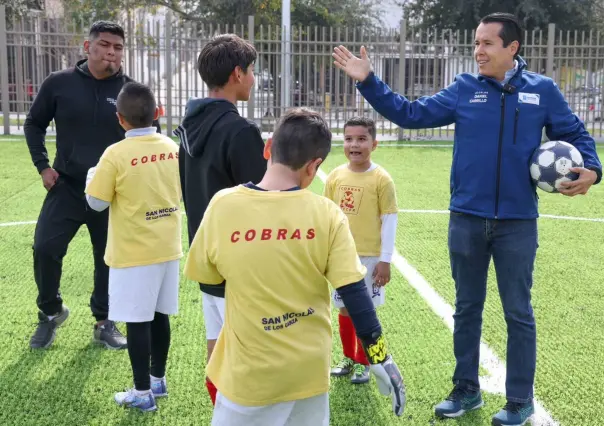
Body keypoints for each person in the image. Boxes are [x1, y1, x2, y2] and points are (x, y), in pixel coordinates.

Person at [333, 12, 602, 426]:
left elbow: (579, 137)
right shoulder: (463, 89)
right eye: (476, 43)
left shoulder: (542, 92)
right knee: (467, 308)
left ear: (512, 48)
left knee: (518, 312)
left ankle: (519, 400)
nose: (478, 51)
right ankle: (466, 390)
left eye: (487, 43)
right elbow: (409, 114)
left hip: (517, 222)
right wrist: (368, 81)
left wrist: (593, 170)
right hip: (466, 219)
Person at [183, 107, 405, 426]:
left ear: (268, 146)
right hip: (308, 374)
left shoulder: (222, 205)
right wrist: (380, 354)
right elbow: (355, 291)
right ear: (314, 166)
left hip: (248, 374)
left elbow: (207, 275)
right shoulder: (327, 214)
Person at [24, 20, 160, 350]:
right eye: (104, 45)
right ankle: (51, 312)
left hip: (113, 191)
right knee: (45, 248)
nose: (111, 53)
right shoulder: (59, 83)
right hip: (67, 185)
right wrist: (43, 166)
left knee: (107, 258)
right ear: (88, 47)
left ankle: (104, 320)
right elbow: (33, 124)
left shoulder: (131, 91)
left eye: (118, 48)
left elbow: (149, 136)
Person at [173, 33, 267, 405]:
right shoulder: (240, 131)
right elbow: (263, 202)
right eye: (252, 71)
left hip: (205, 253)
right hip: (240, 263)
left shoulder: (187, 126)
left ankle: (221, 411)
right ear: (237, 73)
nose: (254, 79)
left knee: (217, 343)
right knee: (247, 353)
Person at [85, 82, 182, 412]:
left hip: (133, 253)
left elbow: (96, 203)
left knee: (137, 322)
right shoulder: (172, 146)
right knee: (159, 316)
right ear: (157, 114)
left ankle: (142, 393)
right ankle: (157, 380)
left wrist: (91, 179)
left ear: (120, 118)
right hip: (168, 247)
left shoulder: (115, 154)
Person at [323, 117, 398, 385]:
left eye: (361, 139)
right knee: (343, 310)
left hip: (369, 257)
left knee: (365, 311)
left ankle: (366, 362)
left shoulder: (381, 179)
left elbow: (389, 219)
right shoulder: (334, 176)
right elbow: (327, 216)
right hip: (342, 256)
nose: (354, 144)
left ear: (374, 144)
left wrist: (385, 260)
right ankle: (349, 358)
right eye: (348, 139)